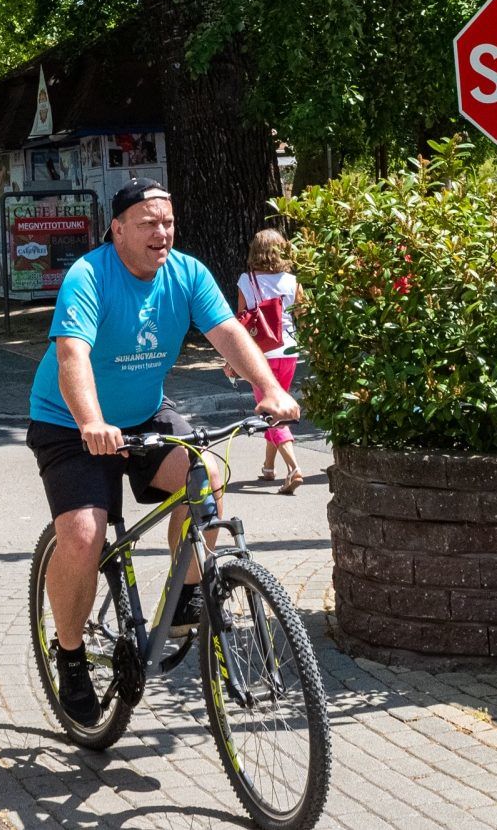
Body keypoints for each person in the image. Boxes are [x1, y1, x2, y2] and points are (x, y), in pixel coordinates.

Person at [28, 179, 301, 725]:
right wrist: (92, 422)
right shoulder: (90, 275)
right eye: (149, 223)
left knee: (207, 475)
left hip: (145, 413)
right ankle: (72, 654)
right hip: (71, 422)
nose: (162, 233)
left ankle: (187, 596)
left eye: (168, 222)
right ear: (119, 229)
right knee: (82, 535)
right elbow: (72, 356)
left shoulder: (187, 273)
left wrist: (268, 386)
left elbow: (227, 332)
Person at [236, 229, 306, 495]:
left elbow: (240, 319)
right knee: (277, 405)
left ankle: (294, 467)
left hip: (259, 354)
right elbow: (302, 313)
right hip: (289, 351)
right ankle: (268, 466)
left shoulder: (246, 280)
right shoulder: (292, 280)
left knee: (270, 412)